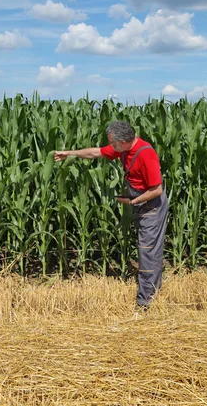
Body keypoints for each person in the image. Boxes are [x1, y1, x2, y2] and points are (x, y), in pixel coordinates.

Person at [54, 120, 168, 309]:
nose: (110, 146)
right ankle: (152, 290)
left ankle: (145, 301)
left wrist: (132, 201)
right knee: (148, 248)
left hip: (151, 205)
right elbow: (96, 152)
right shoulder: (123, 149)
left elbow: (156, 189)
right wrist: (69, 154)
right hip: (141, 202)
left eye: (112, 142)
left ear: (122, 142)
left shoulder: (146, 154)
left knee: (147, 250)